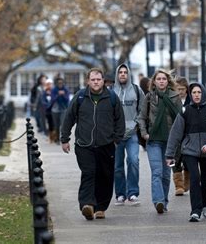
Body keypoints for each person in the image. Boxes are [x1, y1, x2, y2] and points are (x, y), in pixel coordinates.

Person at [60, 68, 125, 220]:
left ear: (103, 81)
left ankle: (101, 207)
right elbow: (68, 118)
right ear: (88, 81)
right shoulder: (80, 97)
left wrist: (116, 139)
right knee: (89, 173)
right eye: (93, 80)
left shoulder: (112, 98)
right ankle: (87, 204)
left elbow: (119, 120)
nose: (96, 82)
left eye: (98, 79)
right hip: (84, 144)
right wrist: (65, 139)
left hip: (106, 144)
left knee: (105, 176)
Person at [165, 82, 206, 222]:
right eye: (194, 93)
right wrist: (169, 154)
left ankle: (204, 204)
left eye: (199, 92)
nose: (196, 95)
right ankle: (195, 211)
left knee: (205, 180)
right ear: (190, 95)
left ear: (203, 93)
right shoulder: (185, 111)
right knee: (195, 178)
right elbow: (175, 134)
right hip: (189, 152)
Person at [137, 69, 181, 214]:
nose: (161, 81)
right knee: (157, 172)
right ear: (154, 82)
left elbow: (180, 119)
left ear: (168, 81)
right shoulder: (149, 98)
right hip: (153, 141)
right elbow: (141, 117)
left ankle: (164, 202)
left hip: (171, 143)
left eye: (164, 79)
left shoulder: (175, 97)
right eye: (159, 79)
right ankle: (159, 201)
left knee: (166, 174)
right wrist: (144, 133)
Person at [113, 64, 145, 206]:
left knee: (133, 161)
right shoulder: (111, 92)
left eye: (125, 72)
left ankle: (132, 193)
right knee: (117, 166)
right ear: (117, 74)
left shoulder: (137, 91)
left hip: (132, 134)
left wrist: (137, 124)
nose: (123, 74)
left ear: (129, 74)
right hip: (116, 135)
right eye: (120, 72)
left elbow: (143, 110)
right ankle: (120, 194)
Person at [172, 77, 191, 196]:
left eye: (183, 89)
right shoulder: (173, 100)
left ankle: (187, 182)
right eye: (178, 89)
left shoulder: (191, 100)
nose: (180, 91)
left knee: (188, 159)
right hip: (176, 134)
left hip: (189, 135)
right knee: (175, 159)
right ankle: (178, 185)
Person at [50, 77, 70, 145]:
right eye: (59, 83)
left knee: (63, 124)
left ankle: (63, 139)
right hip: (55, 110)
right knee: (56, 126)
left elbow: (67, 99)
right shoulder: (53, 90)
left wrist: (63, 94)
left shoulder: (66, 89)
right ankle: (57, 139)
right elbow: (52, 99)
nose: (60, 84)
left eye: (61, 83)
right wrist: (58, 94)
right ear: (56, 83)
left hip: (63, 109)